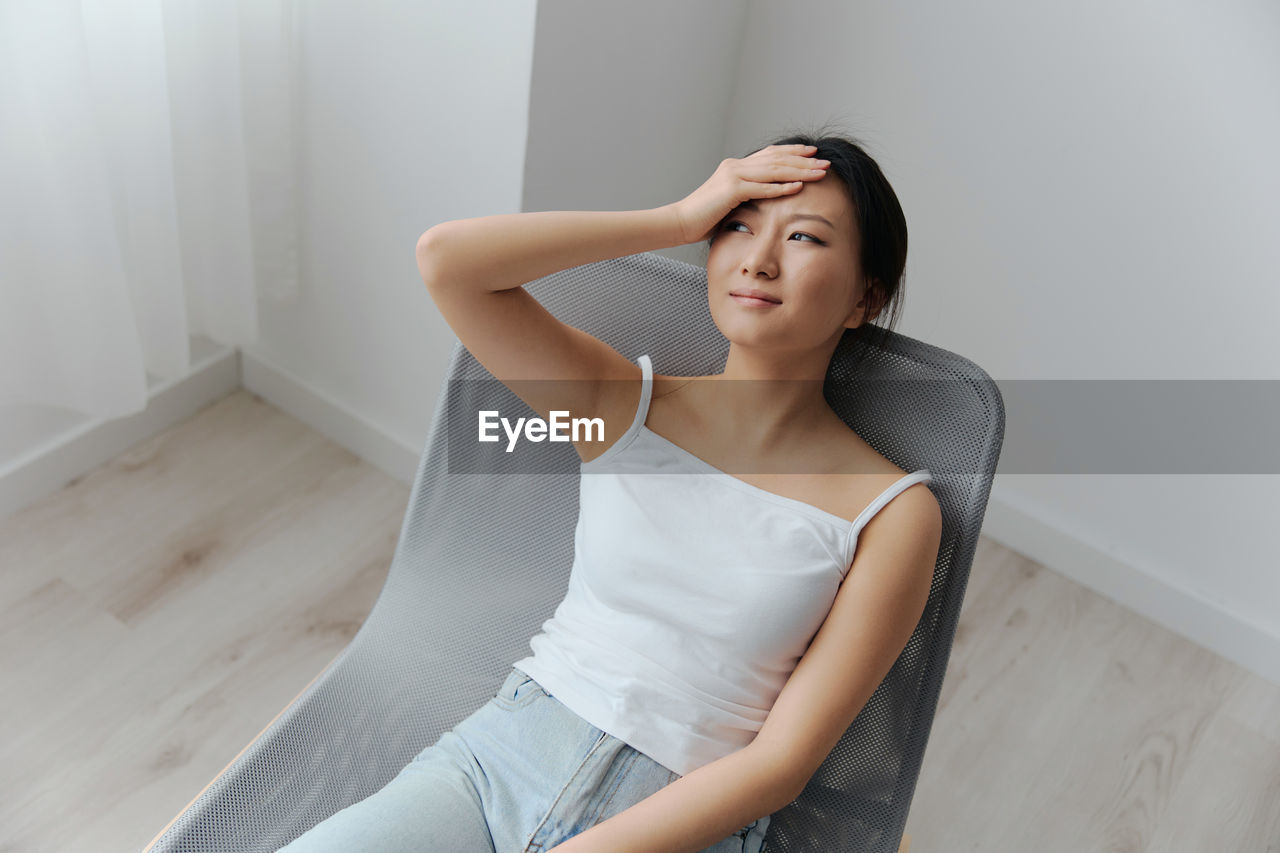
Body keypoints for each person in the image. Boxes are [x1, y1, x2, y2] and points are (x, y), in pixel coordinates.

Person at [277, 127, 943, 852]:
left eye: (806, 238)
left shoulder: (893, 512)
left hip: (683, 820)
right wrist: (680, 218)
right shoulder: (618, 406)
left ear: (864, 298)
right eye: (738, 225)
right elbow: (447, 262)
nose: (758, 258)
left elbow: (779, 766)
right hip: (497, 762)